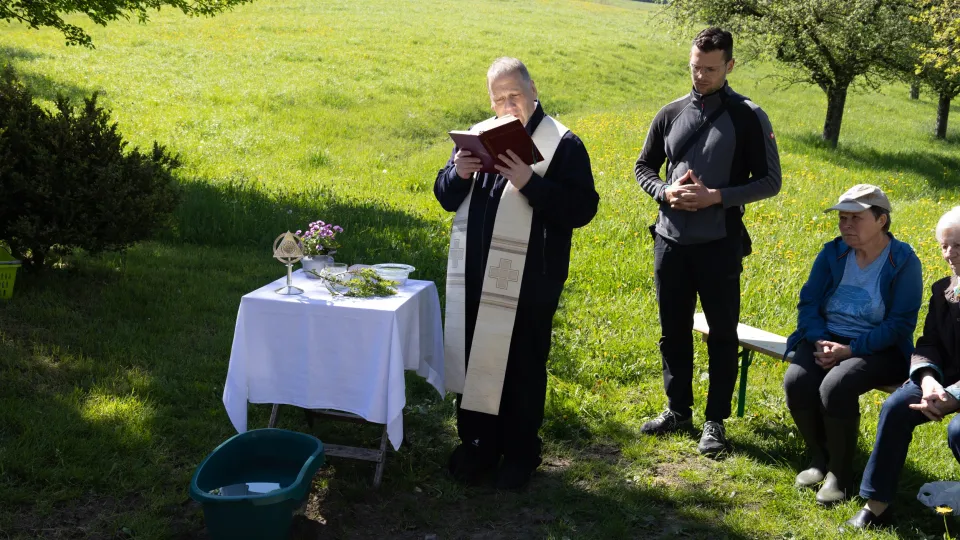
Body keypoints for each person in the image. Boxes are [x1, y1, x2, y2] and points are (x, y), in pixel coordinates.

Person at [434, 57, 599, 490]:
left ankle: (521, 452)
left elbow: (582, 209)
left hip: (531, 280)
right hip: (475, 273)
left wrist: (530, 182)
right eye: (499, 99)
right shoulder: (478, 137)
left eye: (515, 96)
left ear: (533, 90)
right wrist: (458, 174)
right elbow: (445, 196)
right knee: (475, 358)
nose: (508, 106)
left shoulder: (563, 143)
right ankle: (477, 445)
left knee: (522, 365)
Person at [634, 27, 782, 456]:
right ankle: (677, 409)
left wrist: (716, 197)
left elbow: (770, 181)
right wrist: (665, 192)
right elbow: (643, 167)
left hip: (719, 244)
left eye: (711, 69)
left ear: (730, 65)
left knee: (721, 334)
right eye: (695, 67)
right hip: (669, 241)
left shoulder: (749, 116)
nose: (701, 76)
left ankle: (715, 421)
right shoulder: (670, 113)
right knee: (672, 330)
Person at [782, 184, 923, 506]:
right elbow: (809, 302)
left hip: (881, 348)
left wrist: (850, 350)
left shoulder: (903, 261)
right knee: (797, 381)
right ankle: (819, 458)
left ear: (881, 220)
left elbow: (900, 323)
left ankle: (840, 474)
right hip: (827, 337)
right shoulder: (833, 253)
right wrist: (819, 339)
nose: (846, 225)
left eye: (855, 218)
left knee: (837, 385)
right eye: (842, 218)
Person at [841, 206, 960, 530]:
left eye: (958, 246)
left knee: (958, 430)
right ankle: (877, 506)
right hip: (942, 380)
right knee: (896, 407)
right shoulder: (943, 290)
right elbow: (928, 343)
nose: (949, 254)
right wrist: (928, 379)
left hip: (955, 388)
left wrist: (954, 395)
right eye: (944, 245)